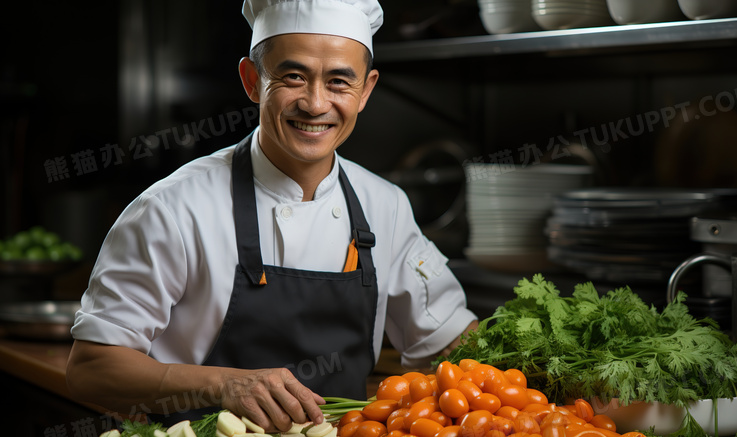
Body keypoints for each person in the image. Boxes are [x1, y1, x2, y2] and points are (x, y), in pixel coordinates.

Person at [65, 0, 479, 431]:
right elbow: (91, 368)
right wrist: (222, 385)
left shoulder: (385, 205)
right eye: (293, 77)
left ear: (367, 90)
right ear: (251, 80)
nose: (316, 104)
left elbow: (450, 347)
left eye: (339, 81)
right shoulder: (173, 208)